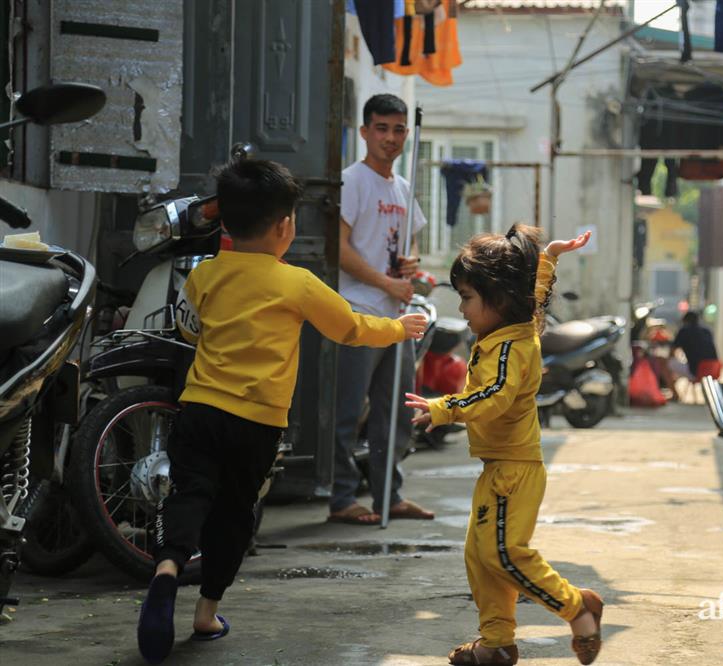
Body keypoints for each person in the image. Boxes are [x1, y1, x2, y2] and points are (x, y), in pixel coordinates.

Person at [135, 159, 427, 665]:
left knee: (187, 494)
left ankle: (166, 570)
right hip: (257, 422)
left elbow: (188, 329)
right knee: (234, 512)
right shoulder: (297, 283)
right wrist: (399, 329)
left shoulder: (204, 275)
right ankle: (206, 614)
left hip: (201, 408)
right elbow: (350, 328)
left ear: (226, 222)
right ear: (284, 226)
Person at [406, 225, 604, 666]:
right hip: (500, 467)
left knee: (504, 554)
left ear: (498, 298)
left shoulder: (509, 348)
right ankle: (496, 642)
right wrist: (549, 258)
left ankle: (578, 607)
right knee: (481, 556)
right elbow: (534, 295)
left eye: (467, 298)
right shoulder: (514, 326)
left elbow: (494, 396)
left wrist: (444, 408)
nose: (462, 308)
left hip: (514, 471)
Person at [328, 93, 435, 525]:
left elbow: (411, 242)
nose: (390, 138)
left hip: (396, 315)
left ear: (407, 134)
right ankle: (341, 498)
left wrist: (410, 262)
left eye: (398, 130)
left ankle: (389, 495)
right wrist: (386, 282)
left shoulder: (403, 187)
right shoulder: (351, 182)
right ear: (365, 132)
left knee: (396, 412)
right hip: (358, 312)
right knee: (349, 411)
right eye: (382, 128)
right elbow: (339, 249)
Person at [666, 311, 719, 400]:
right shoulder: (707, 331)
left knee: (665, 363)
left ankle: (675, 394)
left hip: (697, 371)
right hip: (715, 369)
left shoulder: (684, 330)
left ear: (685, 321)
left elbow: (672, 351)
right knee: (680, 365)